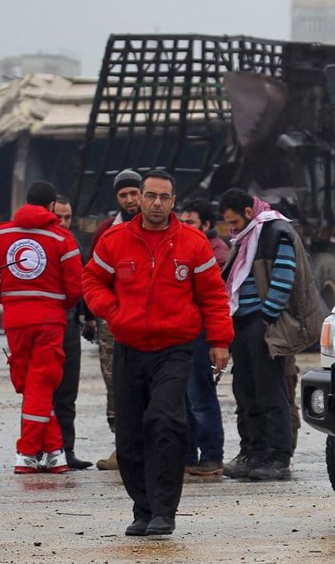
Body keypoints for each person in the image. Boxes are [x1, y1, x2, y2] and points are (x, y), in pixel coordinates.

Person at [83, 169, 233, 537]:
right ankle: (143, 508)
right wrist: (113, 311)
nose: (155, 203)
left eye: (164, 197)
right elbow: (91, 280)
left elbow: (213, 296)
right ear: (140, 198)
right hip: (129, 346)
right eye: (150, 196)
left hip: (175, 348)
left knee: (165, 422)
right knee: (130, 433)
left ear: (173, 201)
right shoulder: (115, 239)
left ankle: (165, 511)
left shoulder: (193, 243)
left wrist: (220, 342)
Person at [220, 189, 324, 482]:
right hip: (243, 323)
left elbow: (283, 278)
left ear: (249, 213)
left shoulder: (276, 231)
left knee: (270, 391)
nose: (232, 229)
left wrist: (266, 318)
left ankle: (277, 457)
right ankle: (252, 452)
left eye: (235, 222)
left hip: (264, 324)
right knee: (246, 390)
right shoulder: (245, 237)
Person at [0, 181, 83, 473]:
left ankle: (55, 452)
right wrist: (57, 305)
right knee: (42, 383)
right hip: (50, 320)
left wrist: (8, 299)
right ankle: (27, 454)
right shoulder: (63, 239)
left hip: (14, 319)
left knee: (30, 383)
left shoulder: (0, 233)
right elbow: (76, 288)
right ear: (52, 205)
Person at [88, 169, 142, 470]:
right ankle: (122, 445)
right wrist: (98, 313)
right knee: (116, 381)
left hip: (150, 318)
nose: (130, 199)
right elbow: (93, 276)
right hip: (114, 319)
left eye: (134, 193)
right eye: (124, 195)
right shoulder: (107, 231)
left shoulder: (157, 228)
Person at [178, 199, 228, 477]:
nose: (184, 228)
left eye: (190, 223)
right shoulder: (192, 248)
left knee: (200, 397)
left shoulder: (215, 253)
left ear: (206, 225)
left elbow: (213, 299)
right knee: (185, 398)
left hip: (201, 334)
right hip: (186, 333)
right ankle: (190, 455)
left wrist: (218, 342)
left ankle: (211, 456)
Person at [49, 196, 91, 469]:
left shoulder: (72, 243)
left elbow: (84, 280)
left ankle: (66, 448)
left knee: (67, 392)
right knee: (45, 392)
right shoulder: (44, 242)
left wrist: (87, 316)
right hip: (48, 324)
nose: (63, 222)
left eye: (67, 217)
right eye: (59, 217)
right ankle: (46, 448)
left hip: (70, 324)